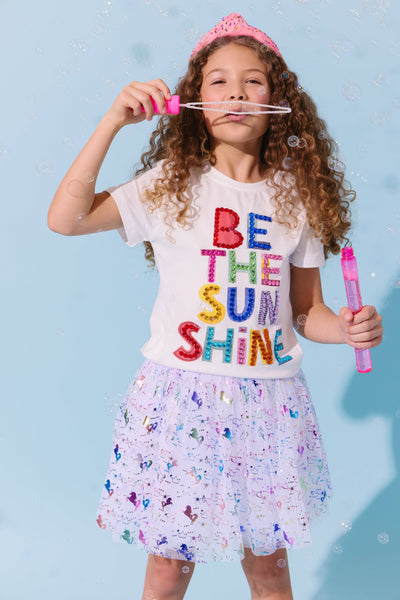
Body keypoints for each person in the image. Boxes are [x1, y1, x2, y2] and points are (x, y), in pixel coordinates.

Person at [48, 13, 383, 600]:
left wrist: (349, 329)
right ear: (194, 103)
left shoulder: (296, 198)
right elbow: (65, 220)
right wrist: (112, 122)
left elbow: (308, 313)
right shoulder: (169, 186)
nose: (236, 93)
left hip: (269, 406)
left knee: (270, 572)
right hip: (183, 400)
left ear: (278, 103)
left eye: (253, 81)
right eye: (218, 81)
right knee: (167, 570)